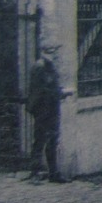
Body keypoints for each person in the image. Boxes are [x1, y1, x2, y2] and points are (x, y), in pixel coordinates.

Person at [26, 43, 66, 182]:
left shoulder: (50, 66)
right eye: (52, 51)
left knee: (53, 140)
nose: (55, 54)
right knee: (40, 140)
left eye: (55, 51)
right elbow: (42, 90)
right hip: (42, 109)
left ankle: (53, 173)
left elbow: (51, 86)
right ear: (44, 51)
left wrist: (60, 92)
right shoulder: (40, 67)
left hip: (52, 108)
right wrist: (60, 93)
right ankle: (35, 173)